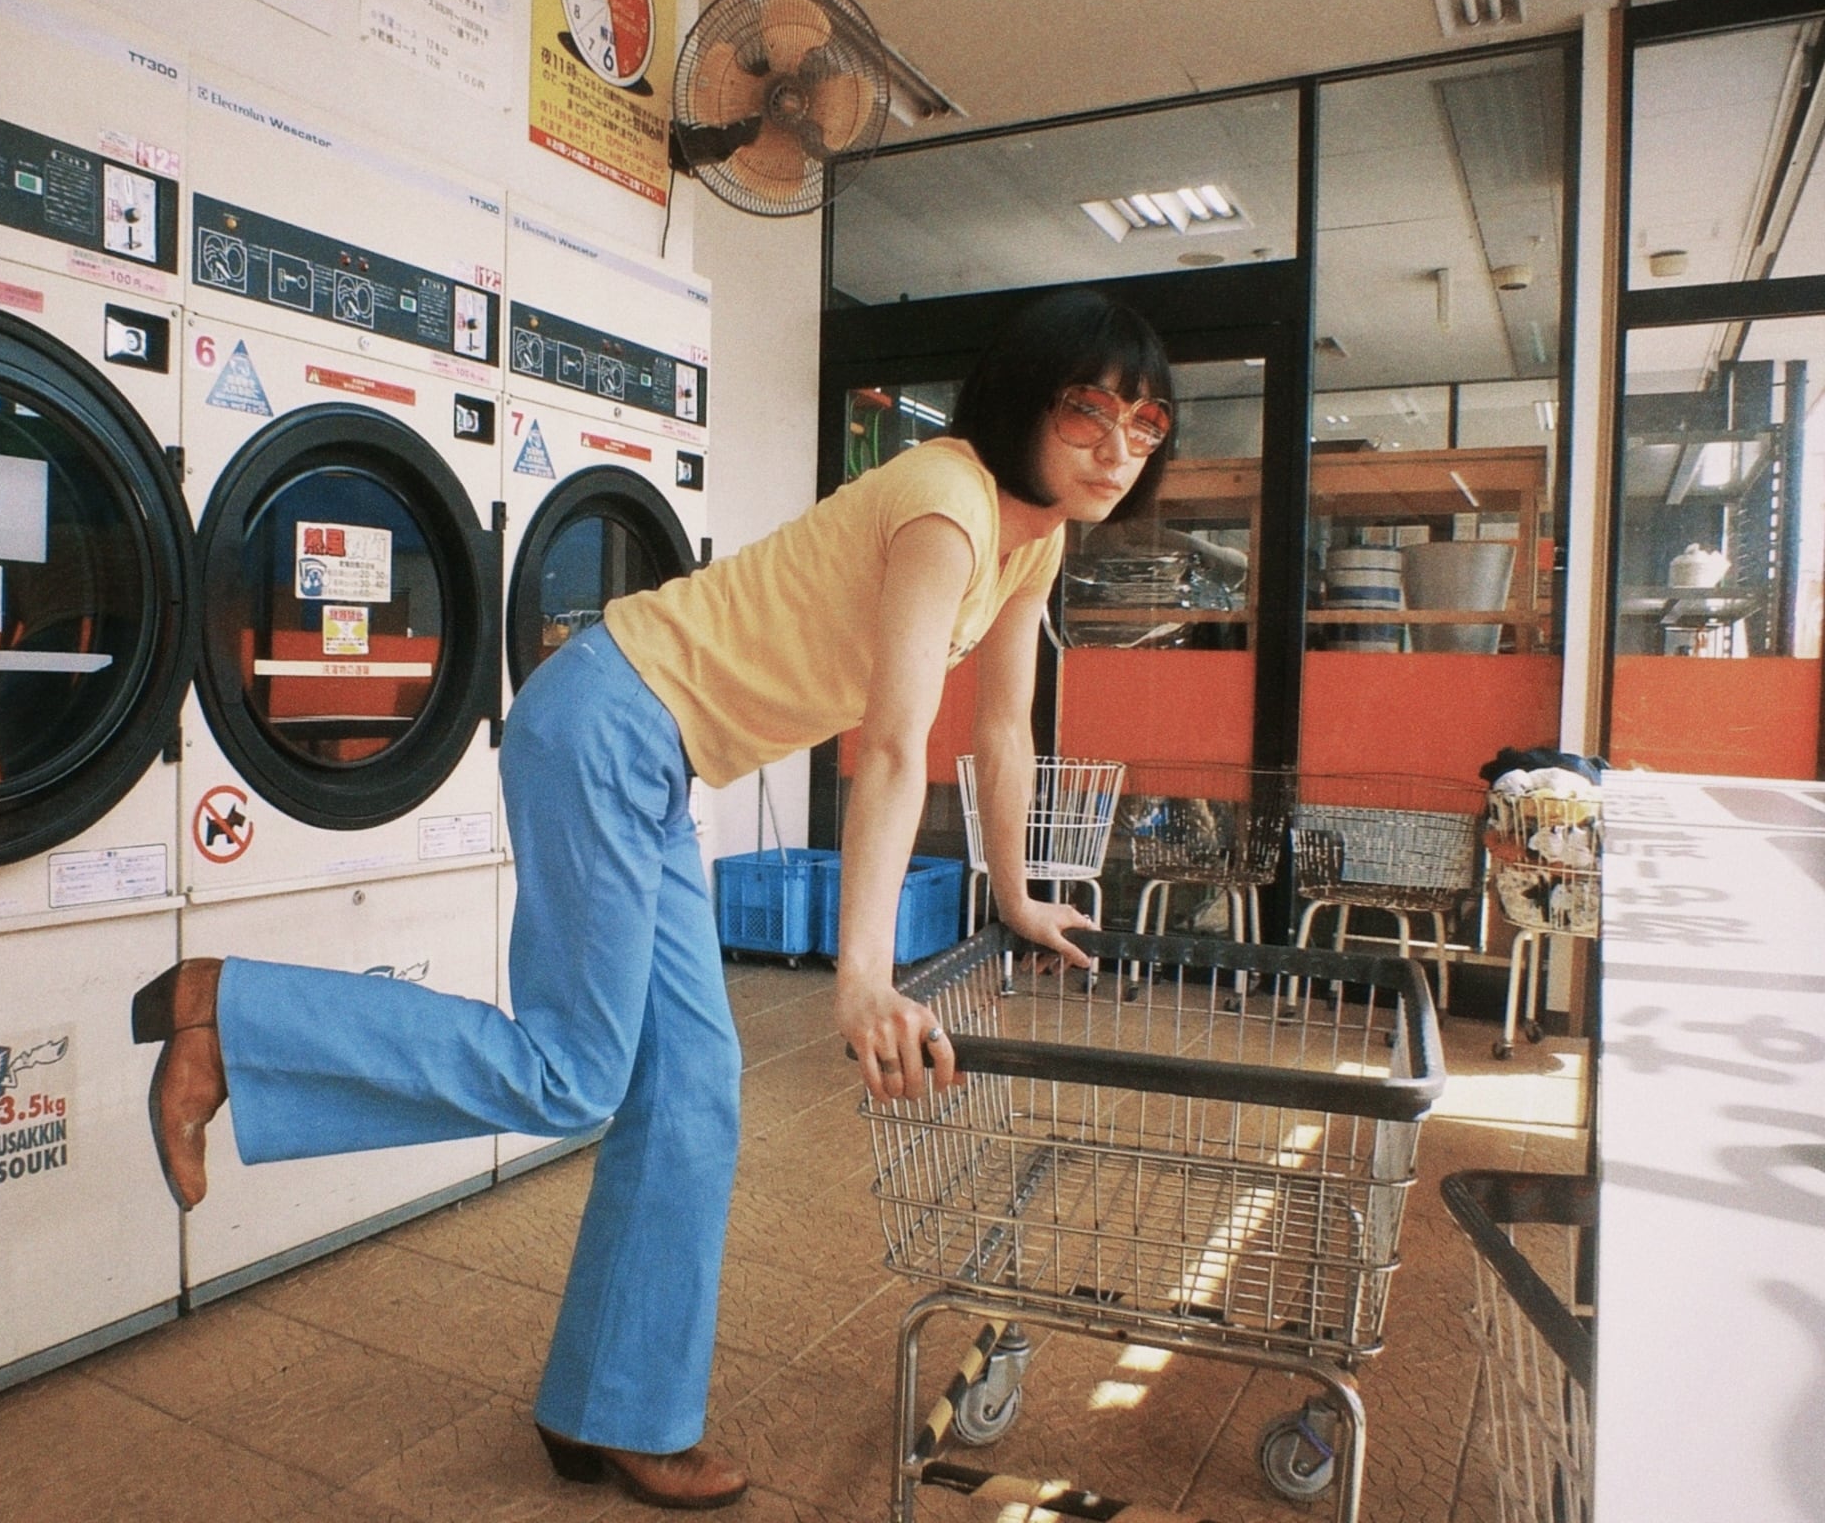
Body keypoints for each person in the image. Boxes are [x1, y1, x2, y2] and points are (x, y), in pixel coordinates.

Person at [132, 286, 1174, 1510]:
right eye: (1088, 411)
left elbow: (1002, 730)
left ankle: (612, 1412)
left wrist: (1020, 894)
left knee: (688, 1089)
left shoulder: (1031, 539)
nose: (1116, 447)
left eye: (1145, 423)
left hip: (651, 754)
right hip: (607, 725)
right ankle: (231, 1017)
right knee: (576, 1071)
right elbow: (895, 747)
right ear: (1025, 403)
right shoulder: (947, 501)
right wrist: (861, 977)